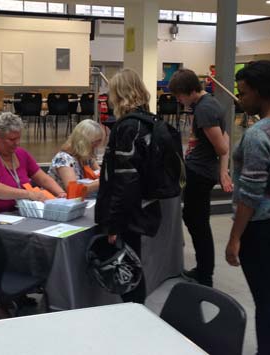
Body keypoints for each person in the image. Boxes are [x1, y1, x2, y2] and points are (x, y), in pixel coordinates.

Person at [226, 60, 270, 355]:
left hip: (261, 226)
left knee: (266, 298)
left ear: (258, 91)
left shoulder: (258, 134)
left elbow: (250, 194)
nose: (240, 100)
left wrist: (234, 239)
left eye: (243, 94)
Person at [95, 68, 161, 304]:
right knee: (134, 264)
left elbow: (124, 180)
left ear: (119, 94)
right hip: (144, 204)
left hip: (129, 212)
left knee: (128, 270)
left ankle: (135, 316)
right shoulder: (149, 121)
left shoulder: (127, 127)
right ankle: (136, 312)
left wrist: (113, 223)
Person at [169, 68, 232, 287]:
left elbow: (223, 146)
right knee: (196, 220)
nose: (178, 100)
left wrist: (222, 170)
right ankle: (204, 270)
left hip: (200, 172)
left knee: (198, 223)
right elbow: (226, 137)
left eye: (179, 95)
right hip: (201, 170)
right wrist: (222, 171)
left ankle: (205, 274)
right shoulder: (210, 104)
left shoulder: (205, 109)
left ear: (190, 91)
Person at [0, 112, 66, 222]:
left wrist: (61, 194)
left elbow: (43, 178)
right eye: (12, 139)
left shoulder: (21, 154)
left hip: (16, 217)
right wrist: (28, 194)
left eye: (18, 138)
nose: (17, 143)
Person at [47, 119, 103, 196]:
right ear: (83, 141)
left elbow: (100, 173)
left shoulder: (87, 156)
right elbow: (73, 190)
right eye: (94, 142)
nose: (97, 146)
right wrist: (103, 181)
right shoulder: (63, 159)